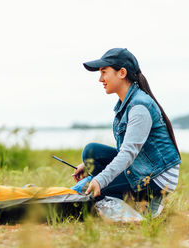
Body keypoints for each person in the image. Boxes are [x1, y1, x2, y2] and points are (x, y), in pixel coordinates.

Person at [72, 48, 181, 217]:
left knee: (89, 193)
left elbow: (128, 152)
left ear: (122, 73)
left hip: (157, 179)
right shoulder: (127, 103)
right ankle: (124, 196)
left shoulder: (139, 107)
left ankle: (149, 202)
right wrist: (89, 167)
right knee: (91, 152)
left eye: (104, 72)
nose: (100, 79)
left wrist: (100, 179)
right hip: (143, 168)